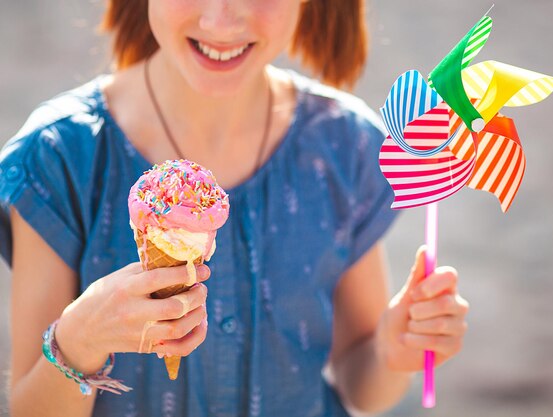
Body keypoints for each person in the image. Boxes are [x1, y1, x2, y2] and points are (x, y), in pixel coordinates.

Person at [0, 0, 470, 416]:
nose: (220, 20)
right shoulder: (60, 156)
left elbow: (360, 387)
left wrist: (391, 349)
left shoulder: (342, 148)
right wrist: (79, 341)